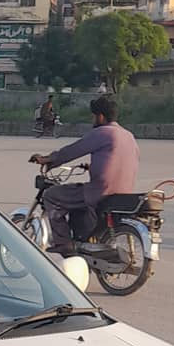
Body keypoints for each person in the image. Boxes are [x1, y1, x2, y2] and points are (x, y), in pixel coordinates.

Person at [29, 96, 139, 256]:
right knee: (76, 200)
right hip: (122, 193)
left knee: (51, 195)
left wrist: (47, 159)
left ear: (100, 116)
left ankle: (63, 243)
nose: (92, 119)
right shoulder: (128, 135)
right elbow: (120, 162)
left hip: (101, 191)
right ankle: (82, 239)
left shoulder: (102, 132)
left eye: (93, 115)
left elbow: (73, 150)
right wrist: (92, 167)